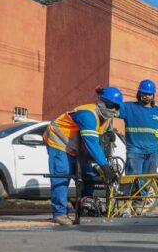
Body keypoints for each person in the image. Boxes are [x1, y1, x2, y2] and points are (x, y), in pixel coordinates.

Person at [43, 86, 122, 225]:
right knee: (62, 175)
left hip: (76, 146)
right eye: (111, 106)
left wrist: (101, 163)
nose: (114, 110)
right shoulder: (88, 115)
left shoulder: (107, 118)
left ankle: (85, 206)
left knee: (89, 174)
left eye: (117, 107)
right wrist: (104, 166)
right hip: (59, 141)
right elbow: (91, 143)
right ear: (101, 102)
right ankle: (59, 213)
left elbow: (97, 141)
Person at [118, 79, 158, 197]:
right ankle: (127, 202)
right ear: (139, 93)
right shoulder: (128, 107)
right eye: (144, 93)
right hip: (134, 151)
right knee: (132, 178)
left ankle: (140, 202)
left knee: (147, 180)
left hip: (152, 152)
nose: (146, 96)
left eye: (149, 94)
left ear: (153, 95)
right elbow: (111, 110)